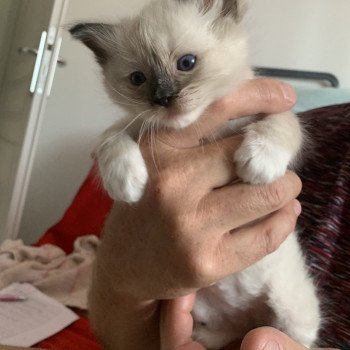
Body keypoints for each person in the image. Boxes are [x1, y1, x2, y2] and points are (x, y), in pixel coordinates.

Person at [90, 78, 336, 350]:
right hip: (197, 327)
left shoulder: (277, 122)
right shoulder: (323, 125)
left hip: (274, 314)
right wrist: (117, 276)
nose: (165, 94)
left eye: (187, 64)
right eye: (137, 78)